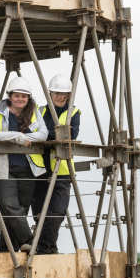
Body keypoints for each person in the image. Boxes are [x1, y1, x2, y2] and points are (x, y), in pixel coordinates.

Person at [0, 76, 48, 253]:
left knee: (19, 212)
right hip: (3, 167)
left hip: (28, 168)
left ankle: (6, 250)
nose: (20, 99)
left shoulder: (34, 112)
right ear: (10, 96)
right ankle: (29, 241)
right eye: (17, 95)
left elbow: (43, 134)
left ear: (28, 98)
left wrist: (18, 137)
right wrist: (18, 137)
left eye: (24, 96)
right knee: (8, 206)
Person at [31, 74, 80, 254]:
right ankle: (47, 248)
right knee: (39, 212)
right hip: (41, 169)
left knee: (58, 212)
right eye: (56, 93)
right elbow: (35, 133)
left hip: (63, 171)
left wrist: (46, 136)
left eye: (63, 93)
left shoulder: (74, 113)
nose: (60, 97)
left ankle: (45, 248)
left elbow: (70, 136)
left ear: (69, 95)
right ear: (49, 93)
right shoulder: (40, 111)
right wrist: (51, 136)